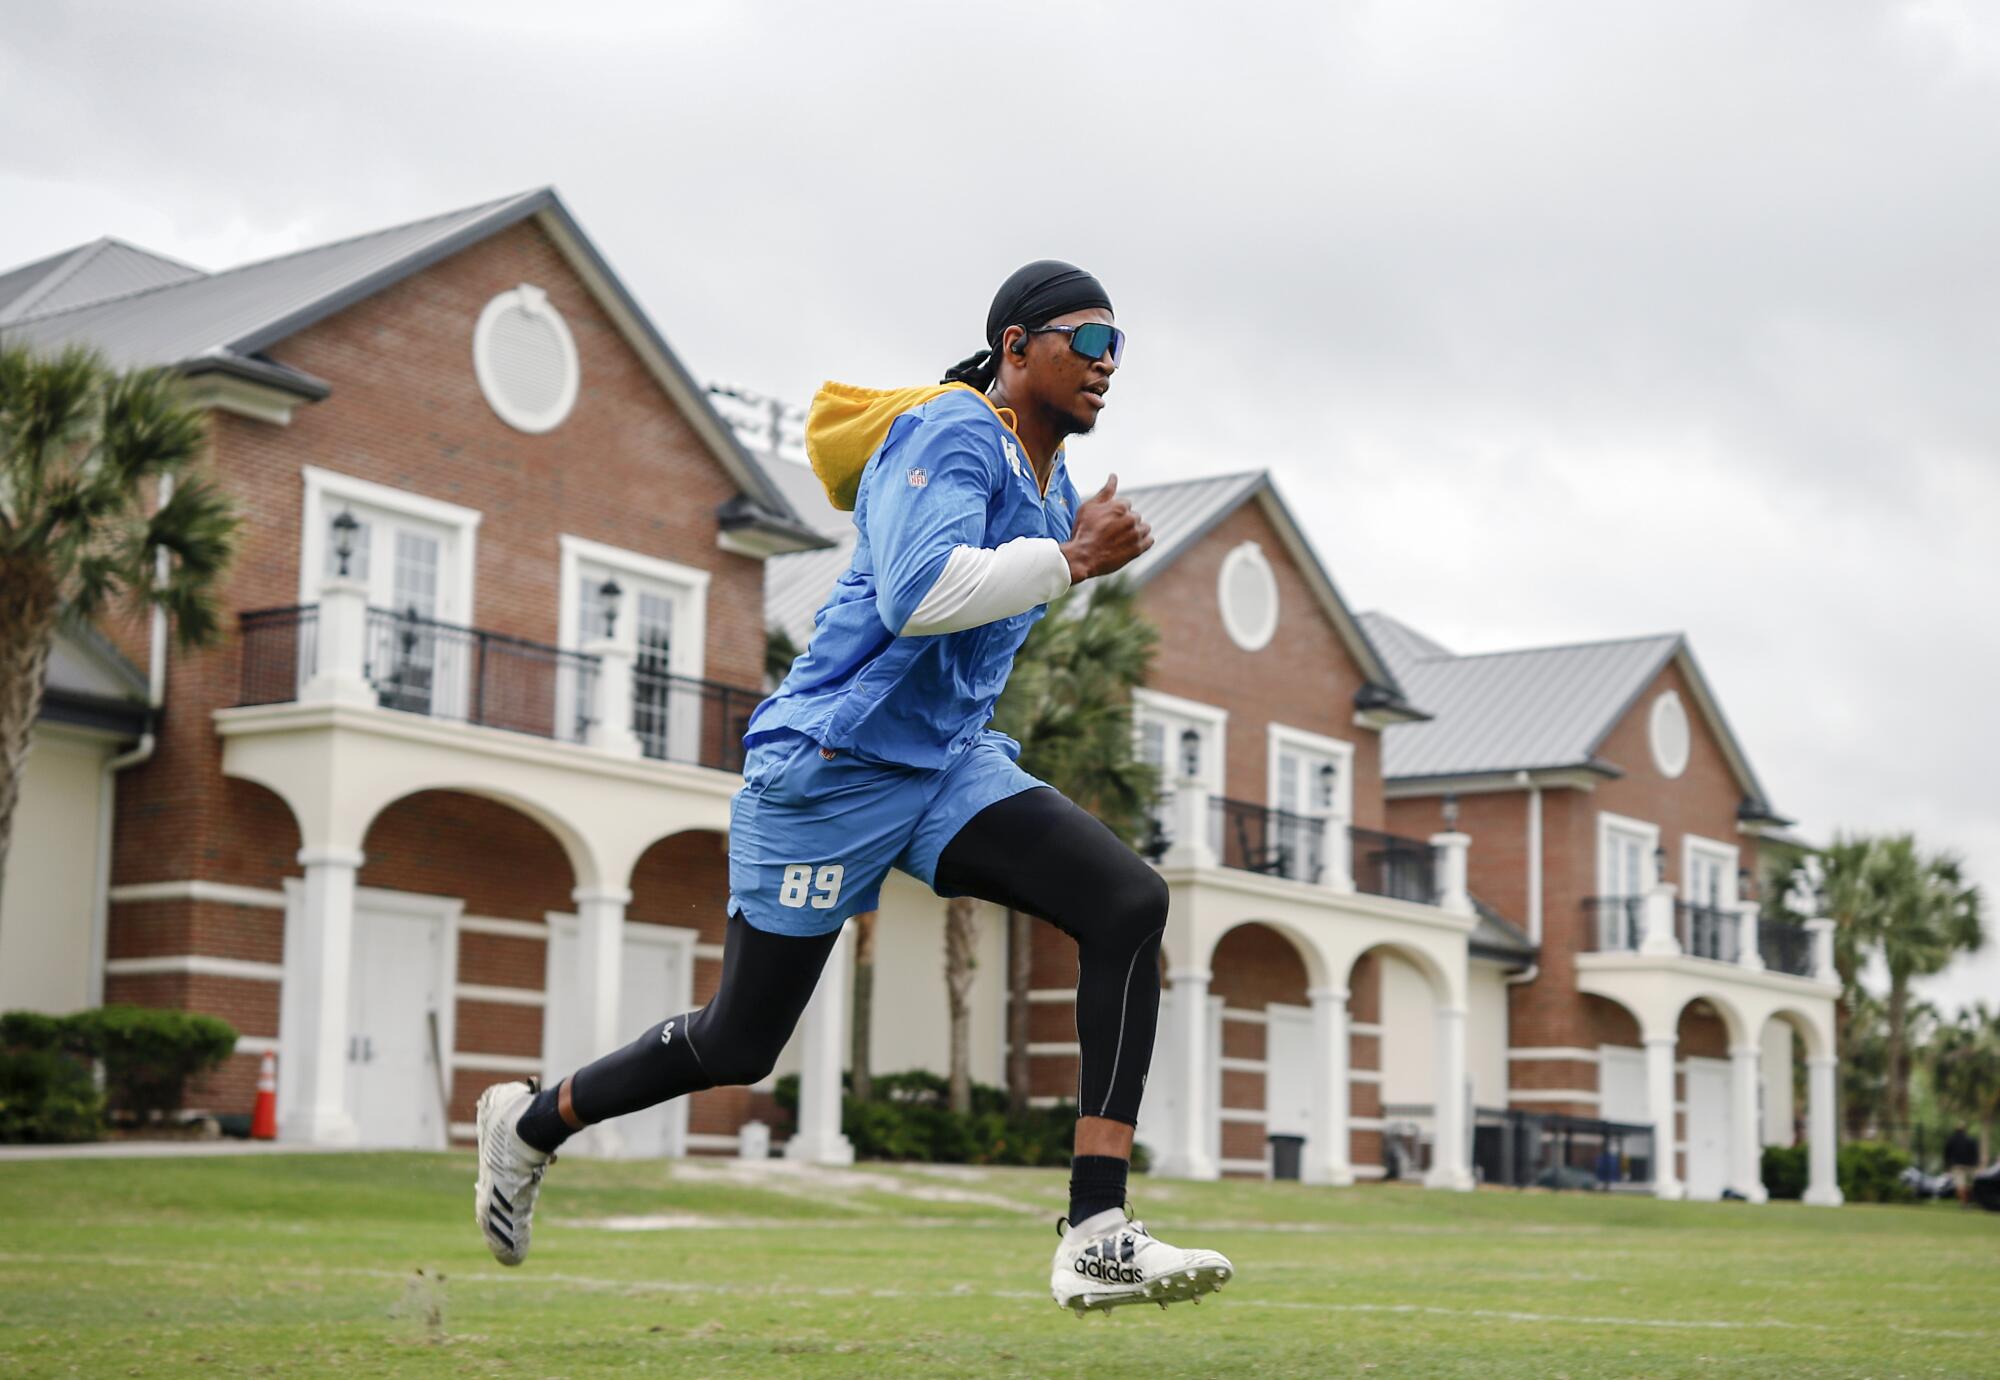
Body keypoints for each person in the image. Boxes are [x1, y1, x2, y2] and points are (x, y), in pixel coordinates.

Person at [473, 260, 1234, 1316]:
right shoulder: (949, 433)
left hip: (946, 766)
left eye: (1119, 350)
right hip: (830, 767)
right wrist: (1068, 560)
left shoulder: (1051, 483)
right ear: (1016, 348)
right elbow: (923, 597)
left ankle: (1097, 1230)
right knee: (741, 1042)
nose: (1109, 367)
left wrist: (1065, 548)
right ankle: (529, 1124)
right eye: (1087, 342)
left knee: (1127, 902)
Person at [1944, 1123, 1980, 1206]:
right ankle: (1969, 1201)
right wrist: (1976, 1164)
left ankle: (1964, 1203)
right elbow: (1975, 1153)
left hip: (1957, 1166)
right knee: (1970, 1184)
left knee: (1960, 1185)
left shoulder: (1951, 1140)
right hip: (1970, 1166)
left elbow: (1947, 1154)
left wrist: (1947, 1165)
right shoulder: (1971, 1140)